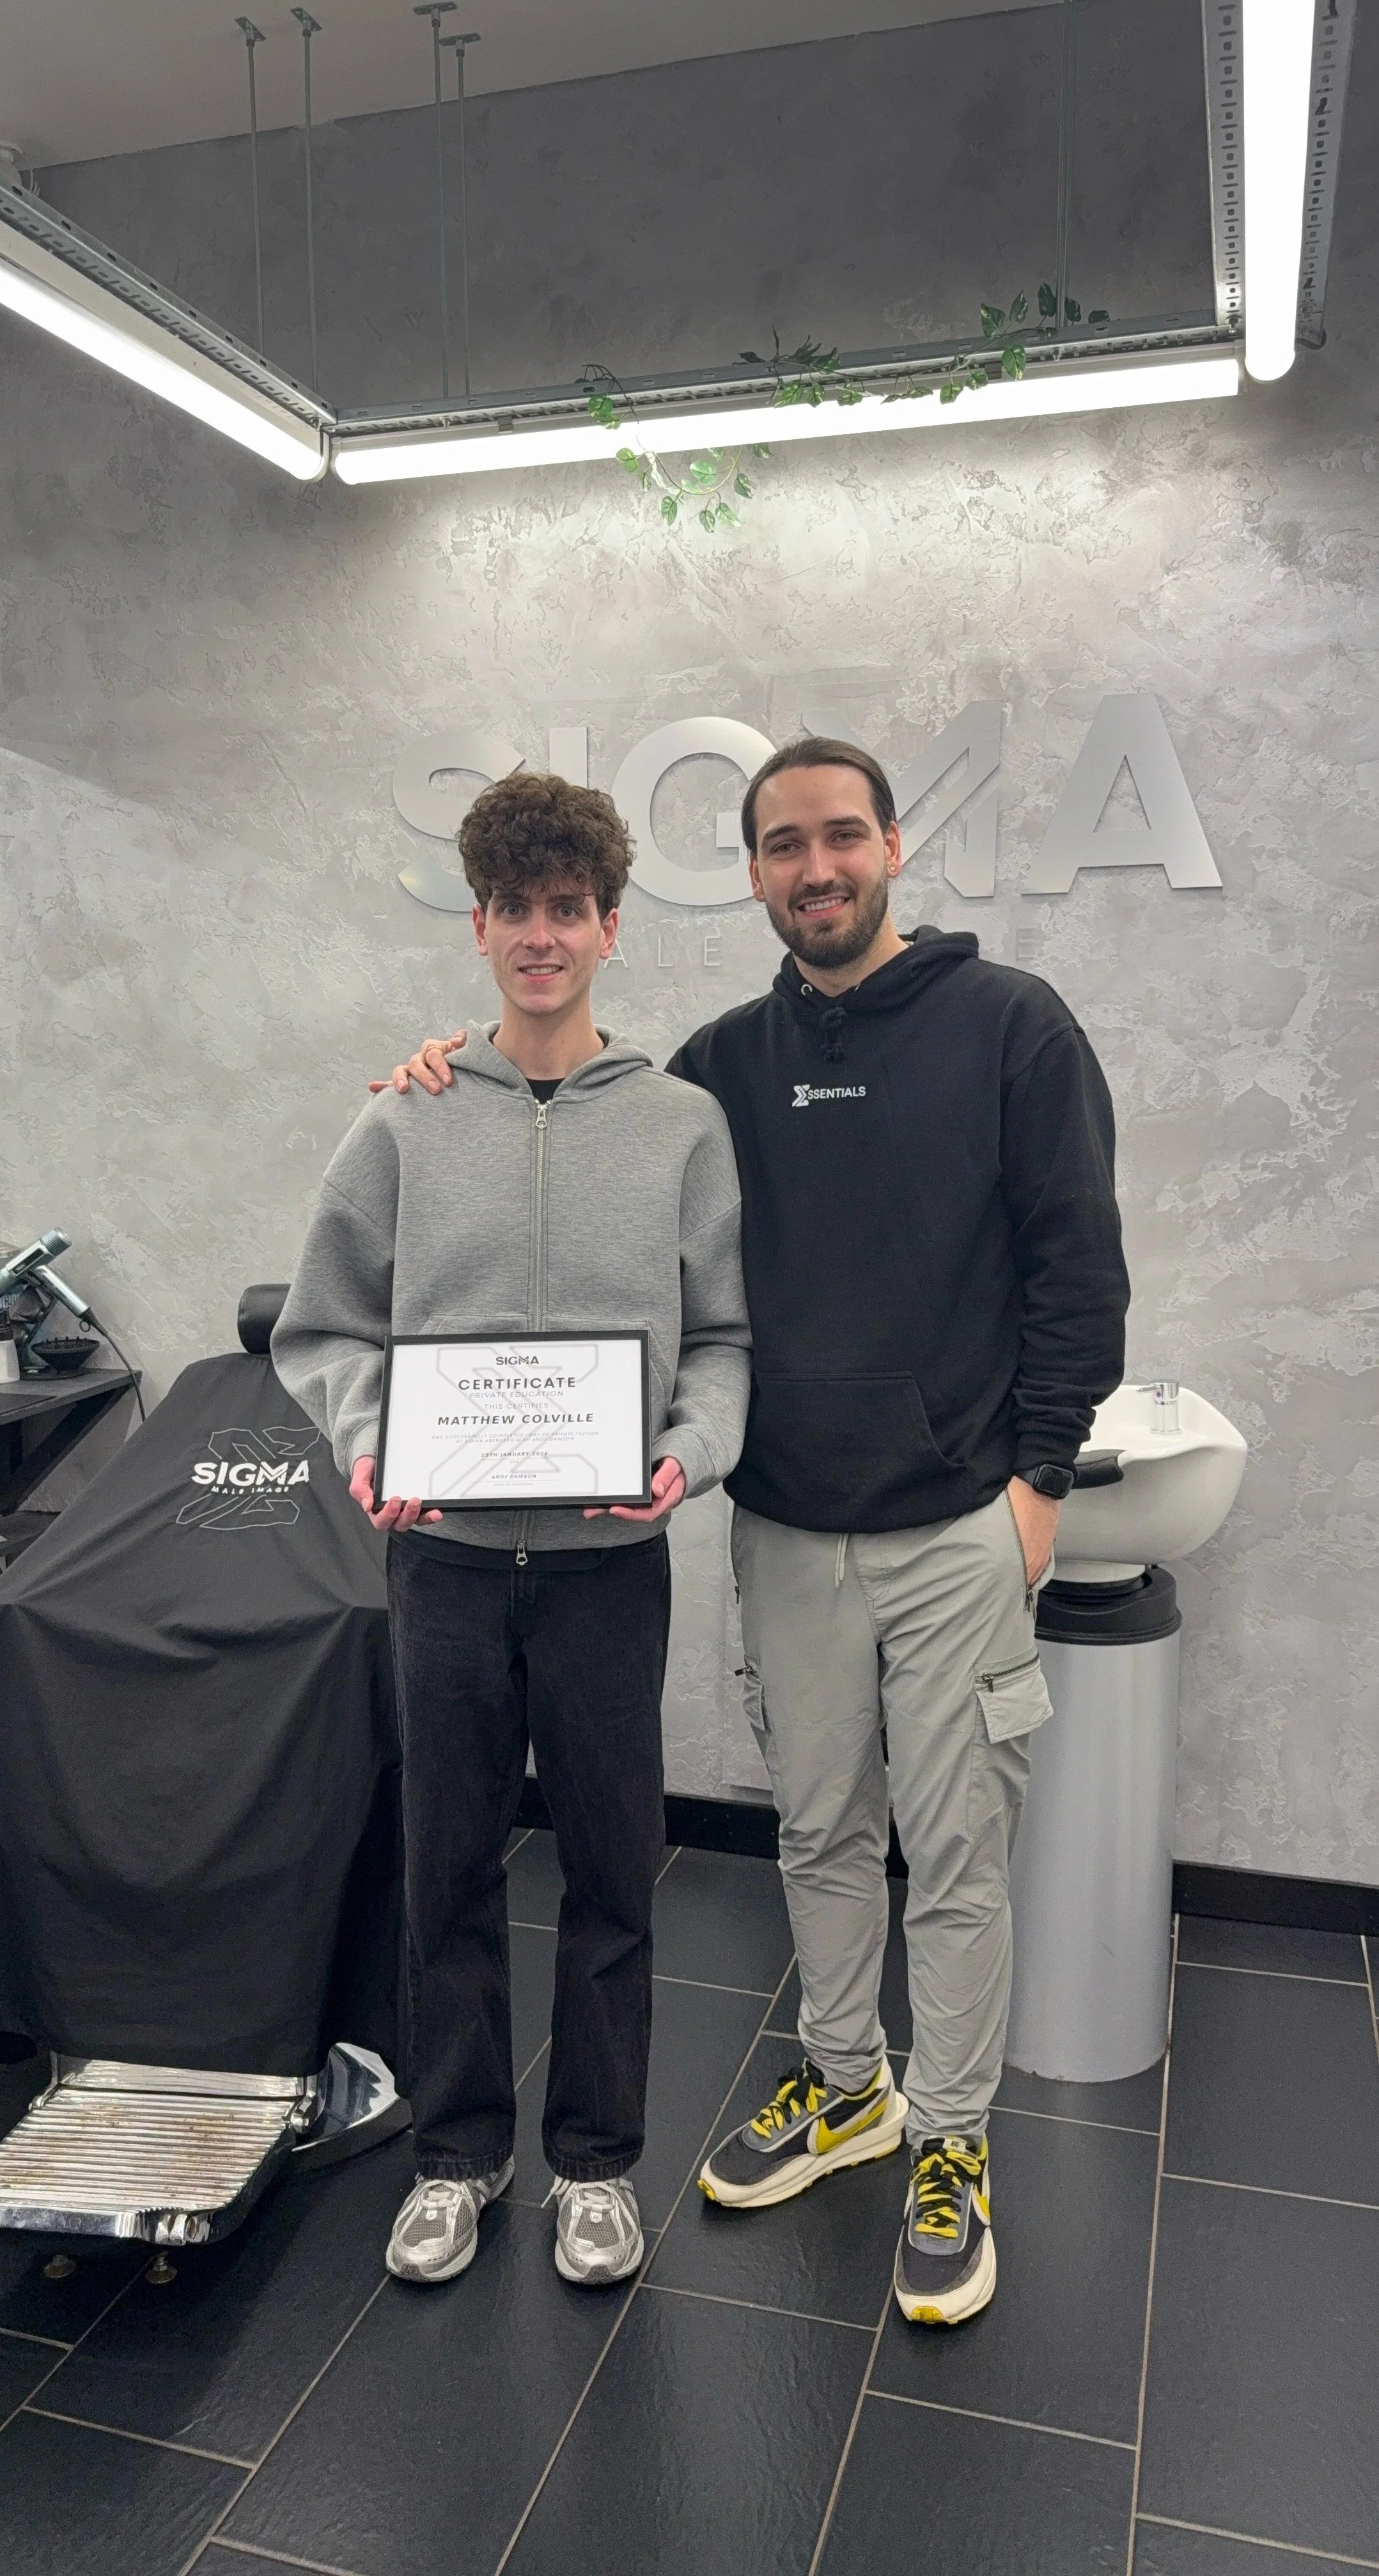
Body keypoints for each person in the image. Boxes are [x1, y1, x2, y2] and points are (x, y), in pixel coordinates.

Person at [378, 734, 1128, 2327]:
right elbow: (578, 1115)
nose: (816, 869)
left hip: (956, 1531)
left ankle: (951, 2137)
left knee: (963, 1853)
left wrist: (1039, 1489)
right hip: (783, 1527)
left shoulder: (1015, 1030)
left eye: (841, 837)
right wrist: (443, 1073)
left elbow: (1080, 1273)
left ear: (894, 846)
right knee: (819, 1834)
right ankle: (847, 2083)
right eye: (784, 847)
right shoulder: (718, 1067)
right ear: (754, 873)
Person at [274, 771, 749, 2292]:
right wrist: (367, 1442)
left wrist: (686, 1455)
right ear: (479, 927)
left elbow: (729, 1340)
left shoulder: (682, 1124)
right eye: (515, 912)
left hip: (614, 1565)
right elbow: (326, 1325)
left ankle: (597, 2159)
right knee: (449, 1864)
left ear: (609, 927)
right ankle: (460, 2152)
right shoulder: (406, 1119)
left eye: (569, 911)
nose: (542, 938)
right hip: (450, 1561)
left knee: (616, 1866)